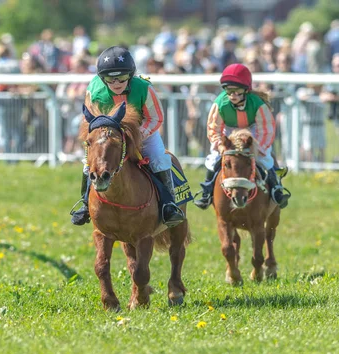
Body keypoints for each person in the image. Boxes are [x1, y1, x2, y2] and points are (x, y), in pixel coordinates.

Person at [70, 46, 185, 227]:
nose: (116, 83)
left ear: (130, 75)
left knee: (160, 160)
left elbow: (156, 118)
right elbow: (88, 120)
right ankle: (85, 205)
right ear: (102, 78)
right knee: (88, 165)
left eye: (122, 77)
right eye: (110, 78)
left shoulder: (144, 88)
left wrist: (135, 136)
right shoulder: (94, 90)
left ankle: (168, 205)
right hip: (107, 136)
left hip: (141, 133)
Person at [193, 63, 290, 210]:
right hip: (229, 131)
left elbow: (266, 129)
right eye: (229, 90)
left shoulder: (257, 104)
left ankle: (276, 189)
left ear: (246, 90)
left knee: (266, 158)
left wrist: (260, 148)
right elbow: (214, 127)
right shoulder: (220, 103)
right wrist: (220, 145)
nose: (232, 95)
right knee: (213, 159)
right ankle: (206, 192)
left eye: (237, 91)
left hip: (253, 130)